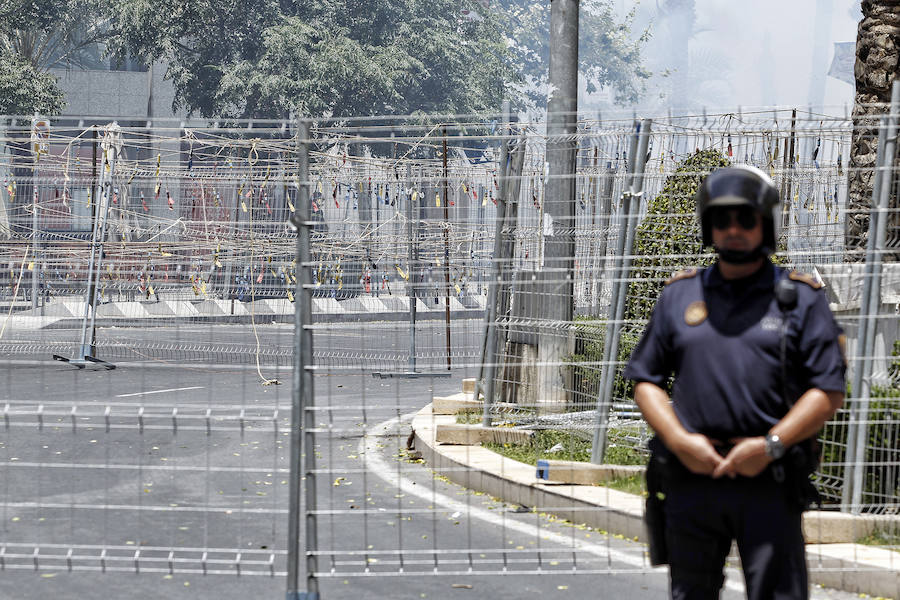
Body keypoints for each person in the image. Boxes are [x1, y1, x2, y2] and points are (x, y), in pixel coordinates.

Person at [623, 165, 847, 600]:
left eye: (745, 219)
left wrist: (769, 445)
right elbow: (646, 380)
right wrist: (680, 440)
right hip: (691, 475)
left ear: (766, 223)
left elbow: (827, 389)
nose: (733, 230)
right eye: (722, 220)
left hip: (769, 477)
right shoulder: (680, 296)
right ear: (709, 226)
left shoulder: (800, 299)